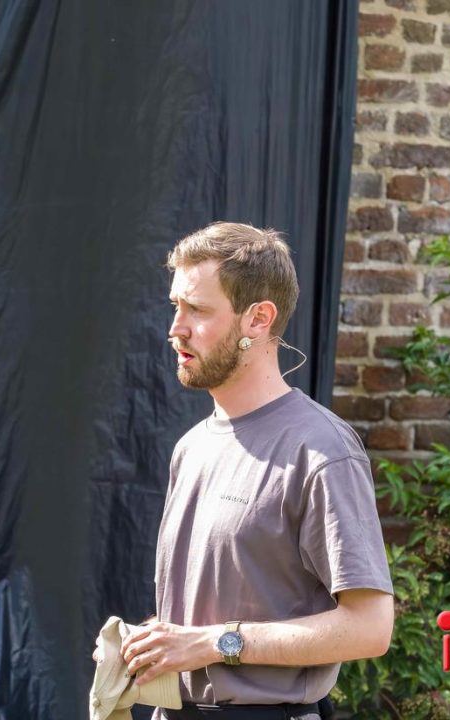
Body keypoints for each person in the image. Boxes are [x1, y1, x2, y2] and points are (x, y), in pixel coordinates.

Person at [119, 222, 395, 720]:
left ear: (258, 319)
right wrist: (157, 646)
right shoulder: (192, 446)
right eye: (175, 306)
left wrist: (214, 643)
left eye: (198, 310)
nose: (176, 328)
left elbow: (371, 628)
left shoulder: (322, 449)